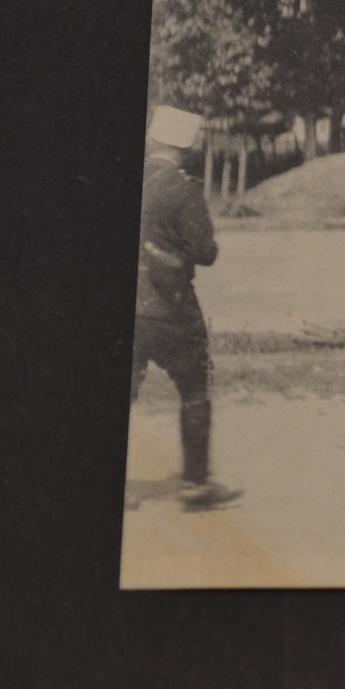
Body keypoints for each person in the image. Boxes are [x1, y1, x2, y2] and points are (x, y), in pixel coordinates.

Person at [132, 105, 242, 512]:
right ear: (188, 146)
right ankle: (196, 486)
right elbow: (205, 252)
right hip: (170, 309)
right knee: (195, 389)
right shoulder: (183, 190)